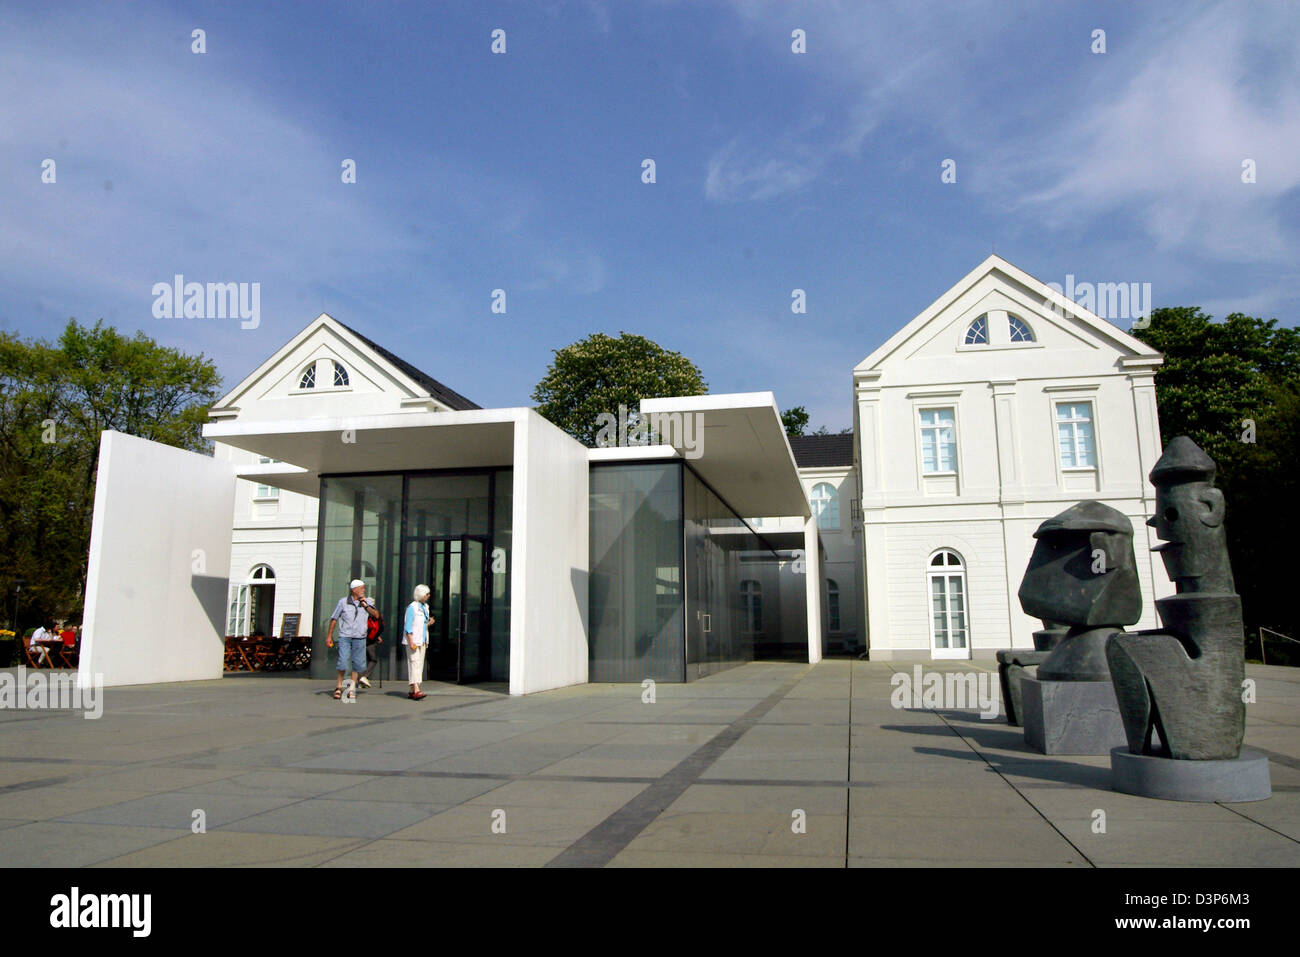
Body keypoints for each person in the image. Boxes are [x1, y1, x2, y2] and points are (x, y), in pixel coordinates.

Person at [325, 579, 380, 701]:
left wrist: (365, 605)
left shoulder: (368, 601)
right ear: (354, 590)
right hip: (345, 636)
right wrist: (329, 636)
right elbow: (334, 618)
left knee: (357, 663)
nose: (363, 590)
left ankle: (352, 687)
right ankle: (339, 686)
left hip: (360, 636)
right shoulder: (343, 602)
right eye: (361, 588)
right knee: (343, 661)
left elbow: (376, 615)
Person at [403, 584, 433, 700]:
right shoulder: (412, 607)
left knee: (419, 664)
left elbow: (422, 623)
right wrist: (411, 641)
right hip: (414, 640)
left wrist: (429, 622)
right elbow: (408, 626)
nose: (428, 596)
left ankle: (412, 689)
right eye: (427, 594)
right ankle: (416, 689)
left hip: (423, 640)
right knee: (414, 662)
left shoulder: (425, 607)